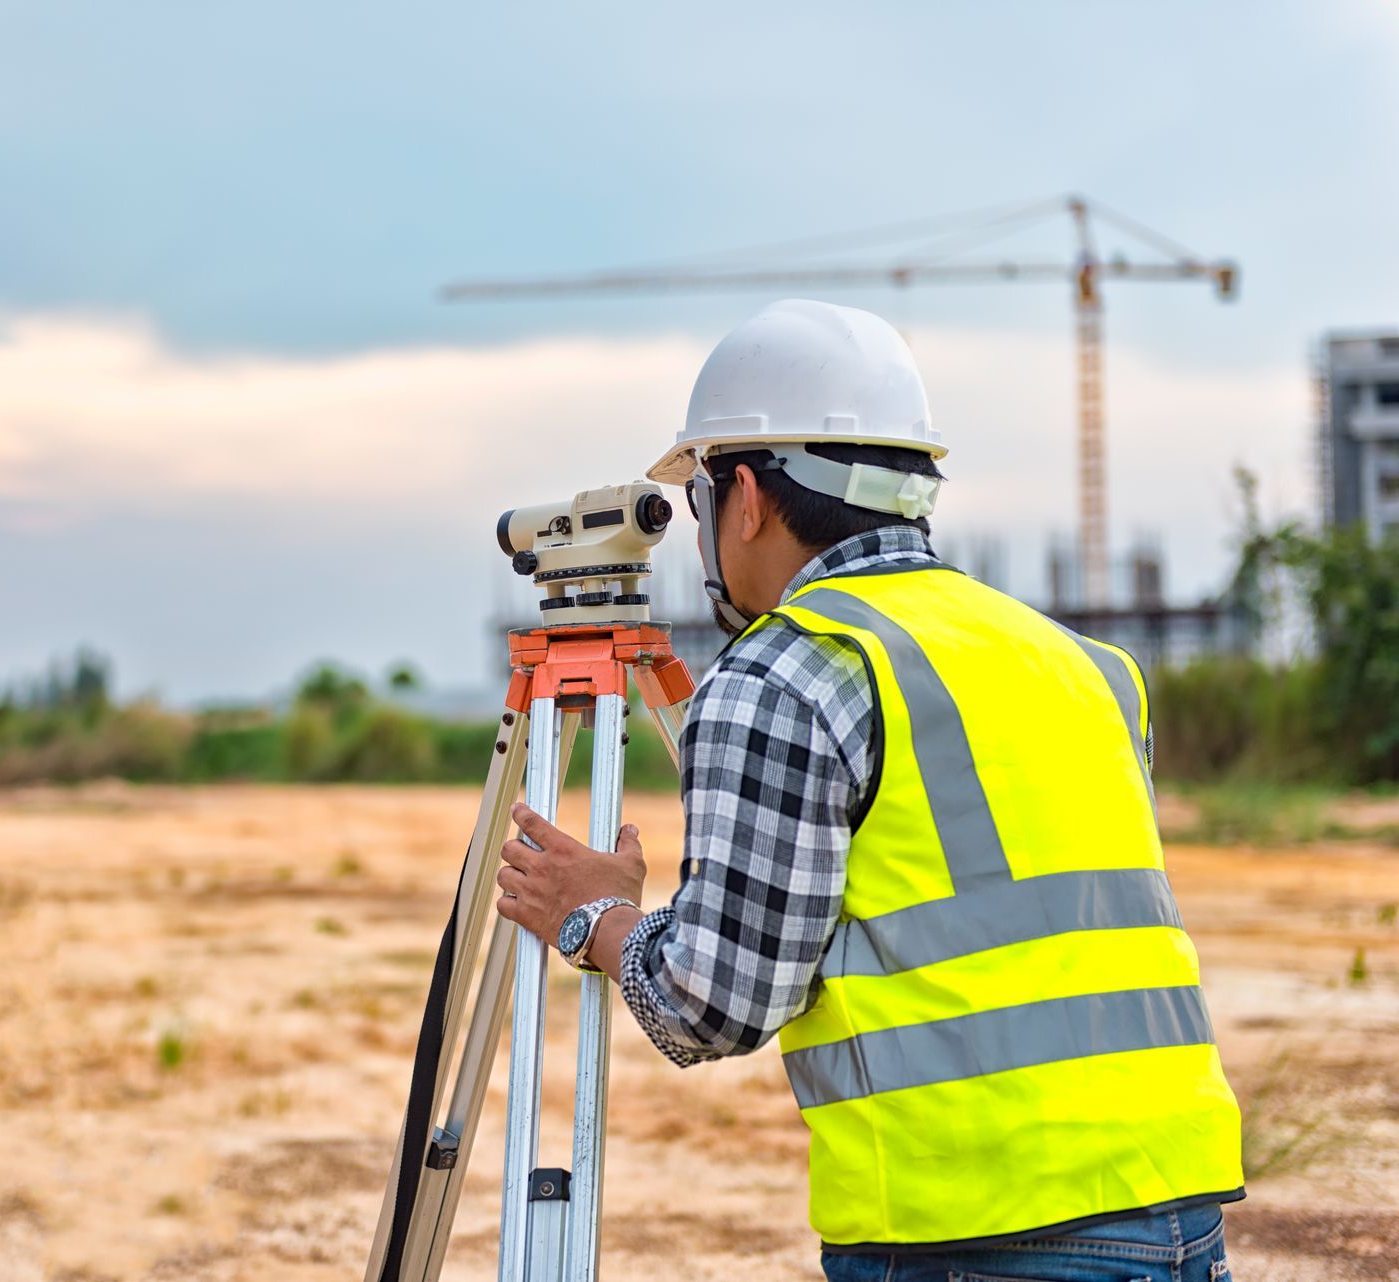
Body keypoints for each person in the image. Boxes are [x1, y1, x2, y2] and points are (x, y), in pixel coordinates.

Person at [493, 300, 1243, 1280]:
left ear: (748, 497)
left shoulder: (786, 674)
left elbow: (712, 1004)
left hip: (976, 1235)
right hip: (1177, 1207)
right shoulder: (1084, 664)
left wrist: (595, 916)